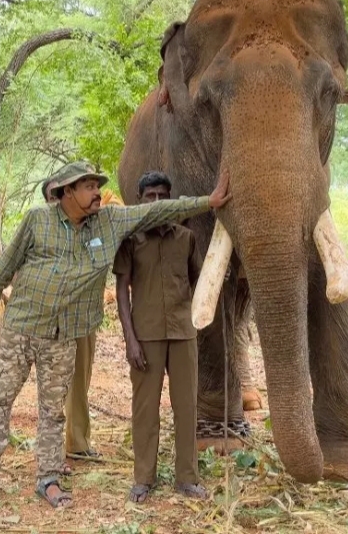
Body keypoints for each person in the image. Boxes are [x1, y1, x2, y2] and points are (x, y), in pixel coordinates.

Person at [0, 161, 232, 510]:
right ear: (66, 193)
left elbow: (161, 209)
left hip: (63, 335)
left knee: (52, 412)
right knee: (1, 402)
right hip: (20, 327)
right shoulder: (37, 220)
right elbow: (3, 267)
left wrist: (208, 202)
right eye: (89, 187)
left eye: (97, 186)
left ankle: (47, 479)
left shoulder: (110, 222)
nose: (97, 193)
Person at [112, 171, 208, 503]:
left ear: (171, 198)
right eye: (150, 196)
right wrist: (130, 340)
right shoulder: (132, 239)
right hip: (146, 335)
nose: (156, 201)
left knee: (186, 407)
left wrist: (195, 321)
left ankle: (187, 477)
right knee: (145, 409)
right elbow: (122, 292)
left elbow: (198, 282)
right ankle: (143, 478)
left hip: (183, 334)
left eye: (162, 195)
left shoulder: (186, 237)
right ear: (140, 201)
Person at [43, 175, 103, 471]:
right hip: (55, 320)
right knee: (58, 385)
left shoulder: (93, 226)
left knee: (80, 380)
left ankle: (76, 443)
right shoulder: (43, 230)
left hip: (86, 317)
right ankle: (63, 449)